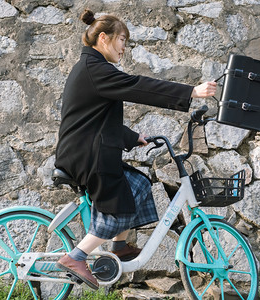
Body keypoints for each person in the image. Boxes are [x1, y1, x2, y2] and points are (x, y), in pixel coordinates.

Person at [54, 9, 217, 290]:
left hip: (90, 149)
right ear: (103, 38)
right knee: (118, 211)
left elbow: (96, 118)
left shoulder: (94, 69)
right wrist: (191, 91)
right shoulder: (95, 69)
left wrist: (133, 137)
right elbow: (139, 86)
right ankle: (75, 257)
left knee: (139, 185)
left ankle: (118, 248)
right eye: (121, 40)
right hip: (87, 155)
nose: (124, 48)